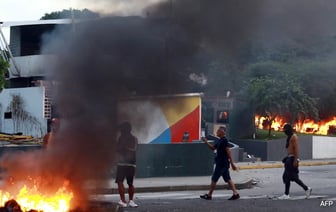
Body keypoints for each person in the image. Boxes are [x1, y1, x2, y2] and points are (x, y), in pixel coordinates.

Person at [200, 126, 240, 200]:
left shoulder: (224, 140)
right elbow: (213, 148)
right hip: (222, 163)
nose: (216, 132)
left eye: (218, 131)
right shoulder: (220, 140)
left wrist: (232, 163)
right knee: (228, 178)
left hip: (222, 163)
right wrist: (206, 142)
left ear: (222, 132)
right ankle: (235, 193)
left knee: (214, 178)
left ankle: (209, 195)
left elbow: (229, 152)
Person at [278, 123, 312, 199]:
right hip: (289, 158)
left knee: (288, 177)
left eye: (285, 130)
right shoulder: (290, 137)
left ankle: (287, 194)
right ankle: (306, 189)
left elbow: (296, 150)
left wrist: (295, 160)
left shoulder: (294, 137)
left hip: (292, 159)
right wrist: (286, 158)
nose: (284, 132)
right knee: (292, 177)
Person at [115, 121, 139, 208]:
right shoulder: (134, 138)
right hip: (131, 164)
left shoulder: (121, 138)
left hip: (122, 164)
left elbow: (118, 149)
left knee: (120, 182)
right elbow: (134, 149)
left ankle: (123, 201)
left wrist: (122, 147)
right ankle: (131, 201)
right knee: (130, 183)